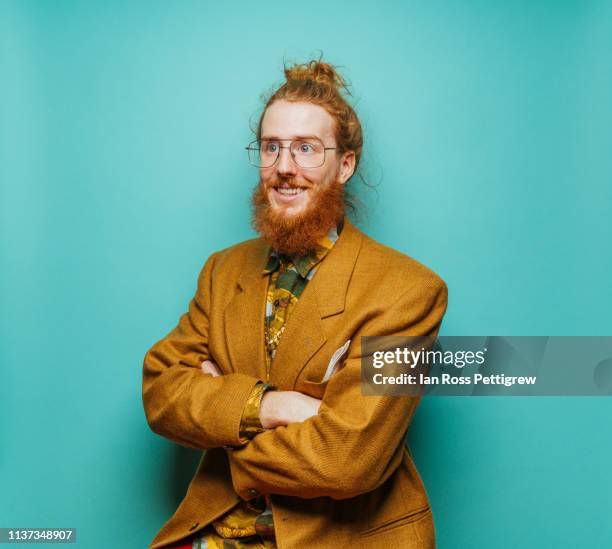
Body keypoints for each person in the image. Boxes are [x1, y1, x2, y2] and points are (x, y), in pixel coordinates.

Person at [142, 59, 448, 549]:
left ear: (344, 165)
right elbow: (162, 394)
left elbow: (347, 459)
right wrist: (269, 406)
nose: (285, 167)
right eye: (272, 147)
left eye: (307, 148)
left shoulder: (407, 291)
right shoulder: (222, 270)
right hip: (215, 531)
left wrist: (223, 424)